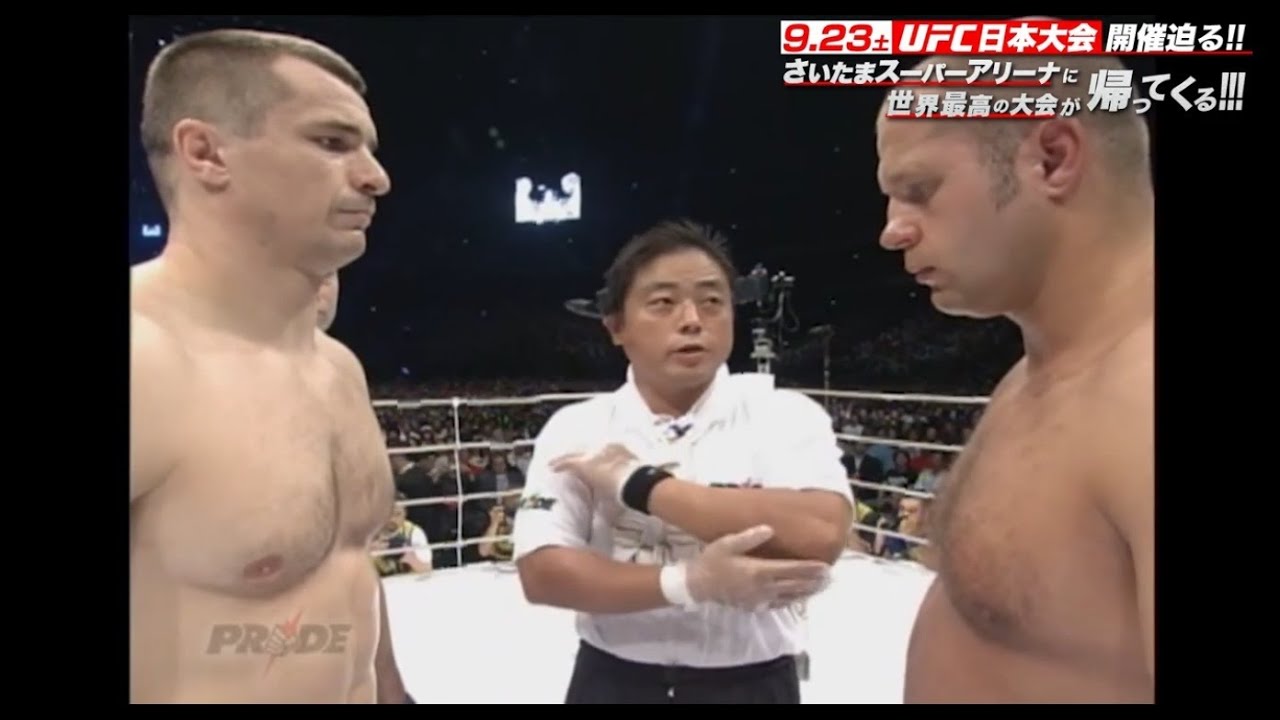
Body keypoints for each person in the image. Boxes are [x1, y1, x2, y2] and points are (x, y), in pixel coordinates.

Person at [130, 28, 410, 703]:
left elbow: (349, 574)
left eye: (369, 149)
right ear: (206, 153)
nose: (375, 178)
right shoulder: (144, 359)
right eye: (332, 142)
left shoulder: (336, 367)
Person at [875, 47, 1154, 702]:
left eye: (919, 191)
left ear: (1052, 159)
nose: (892, 231)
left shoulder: (1141, 397)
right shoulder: (1034, 375)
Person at [512, 220, 854, 704]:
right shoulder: (577, 427)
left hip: (752, 683)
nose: (692, 320)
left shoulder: (785, 415)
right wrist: (690, 582)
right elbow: (543, 572)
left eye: (712, 301)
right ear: (616, 326)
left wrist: (641, 484)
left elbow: (819, 532)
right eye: (663, 303)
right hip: (612, 682)